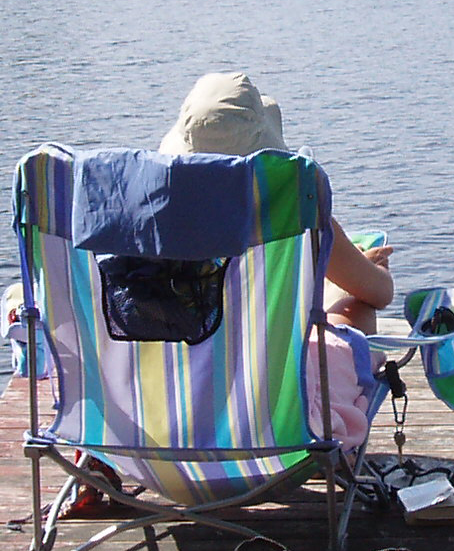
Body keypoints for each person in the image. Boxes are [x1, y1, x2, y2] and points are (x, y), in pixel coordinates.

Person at [157, 72, 393, 444]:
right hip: (274, 417)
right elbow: (379, 293)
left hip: (169, 411)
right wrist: (366, 265)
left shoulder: (148, 213)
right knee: (353, 307)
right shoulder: (295, 207)